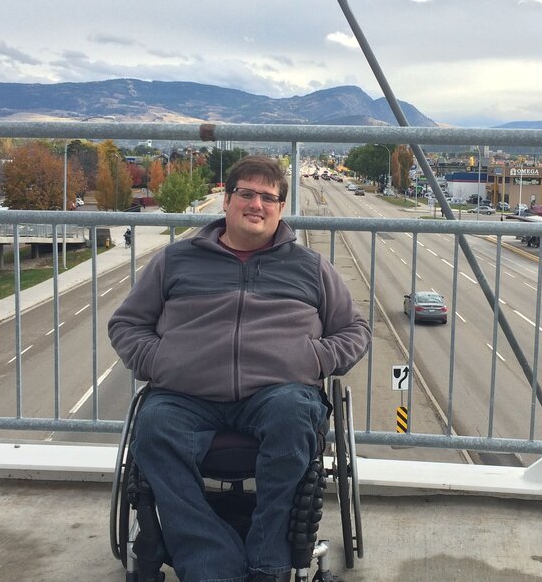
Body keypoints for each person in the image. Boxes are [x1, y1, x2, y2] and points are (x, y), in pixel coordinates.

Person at [108, 156, 371, 582]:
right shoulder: (176, 261)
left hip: (278, 392)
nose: (257, 204)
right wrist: (160, 361)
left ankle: (268, 561)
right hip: (185, 395)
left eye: (269, 198)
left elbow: (355, 330)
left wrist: (314, 359)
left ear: (280, 209)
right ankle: (213, 564)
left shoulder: (310, 267)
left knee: (294, 413)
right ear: (226, 200)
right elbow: (127, 324)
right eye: (246, 194)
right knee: (155, 427)